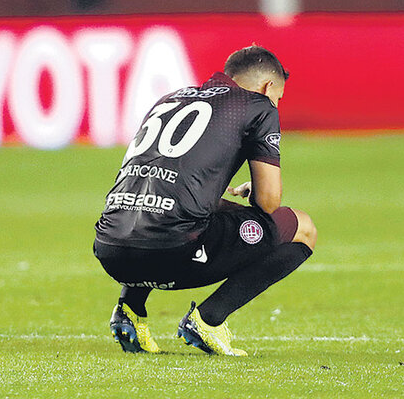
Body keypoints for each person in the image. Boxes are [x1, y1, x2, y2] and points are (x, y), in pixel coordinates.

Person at [93, 45, 317, 355]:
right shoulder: (258, 105)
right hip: (171, 251)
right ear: (268, 87)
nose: (275, 104)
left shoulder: (170, 98)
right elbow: (269, 203)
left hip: (110, 248)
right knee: (303, 227)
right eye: (278, 97)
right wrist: (260, 189)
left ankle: (128, 310)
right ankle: (209, 319)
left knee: (171, 205)